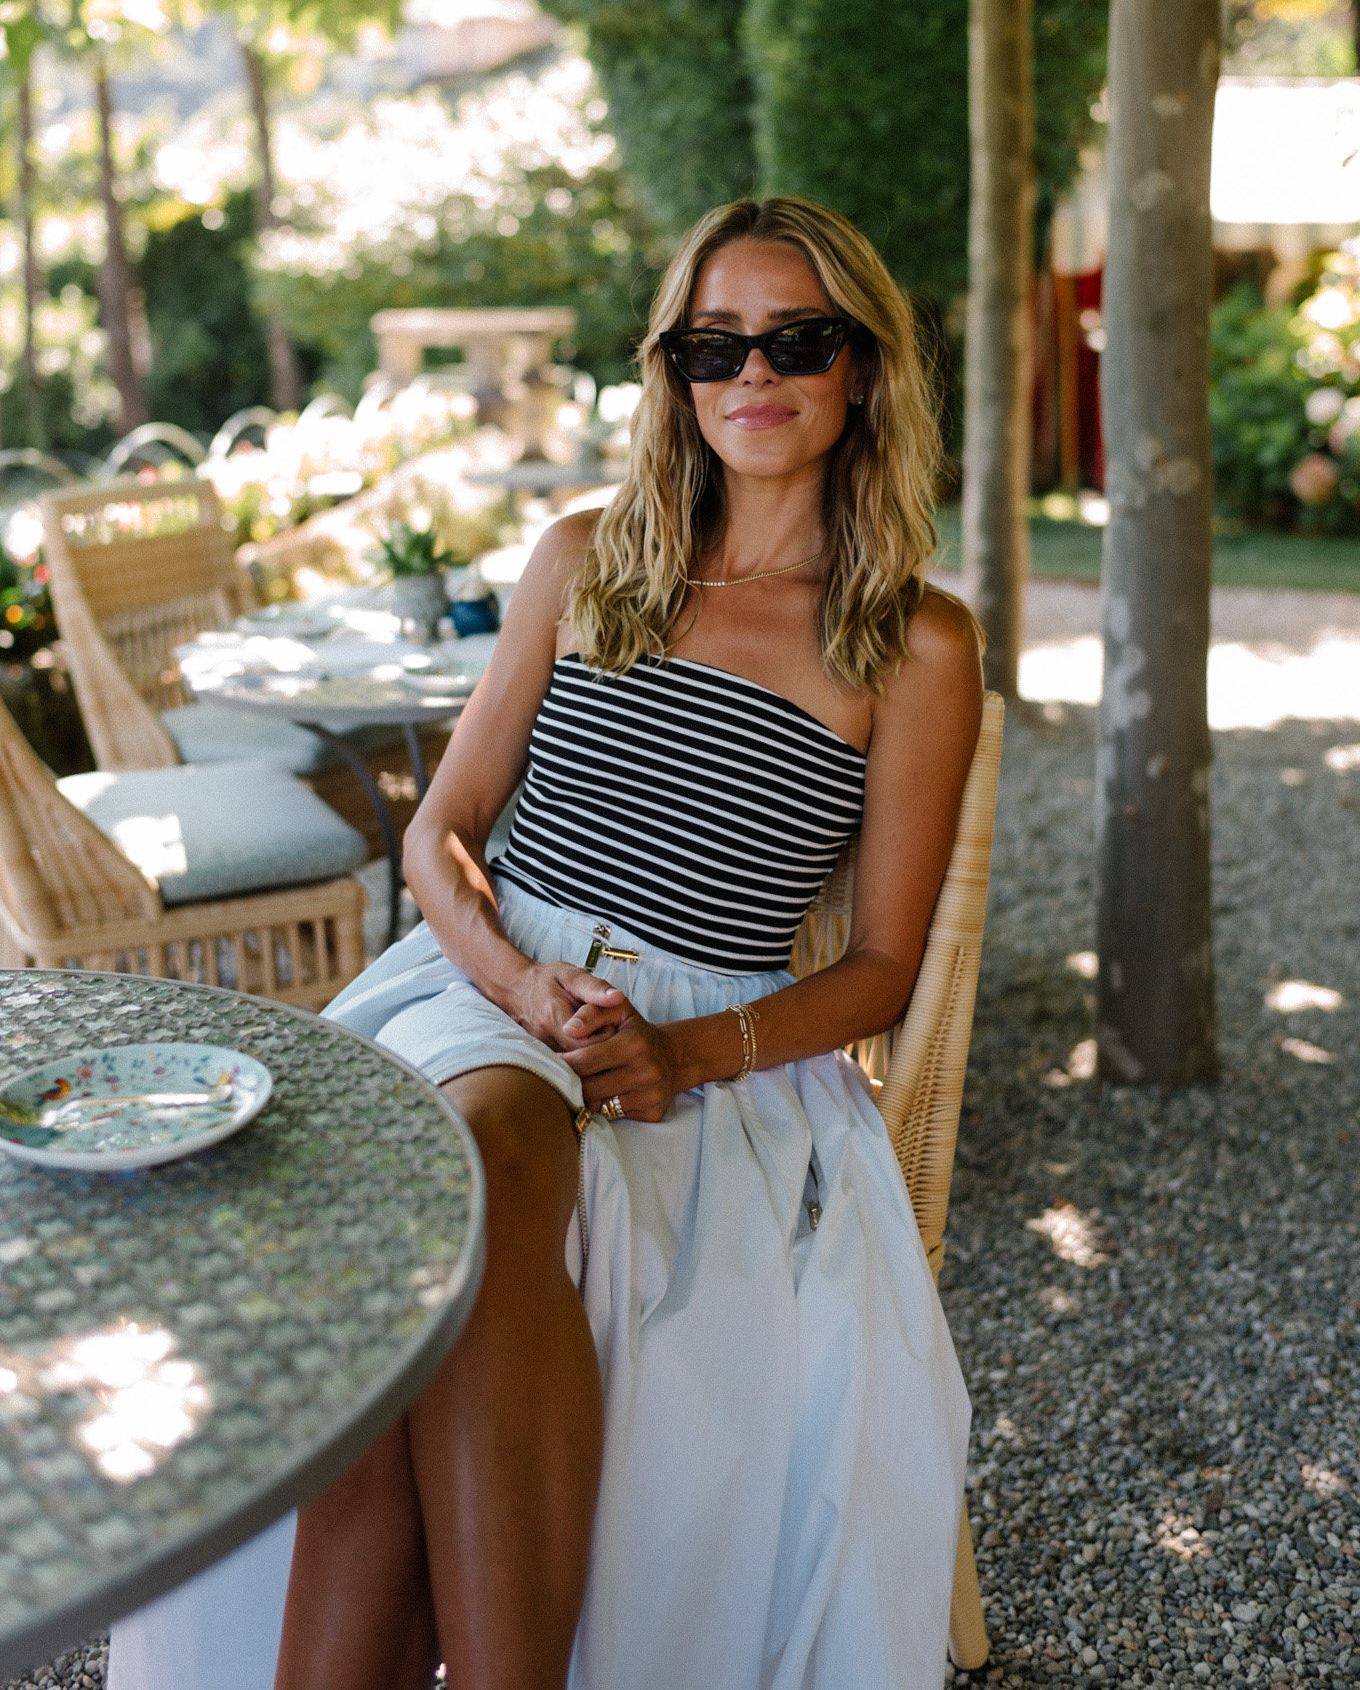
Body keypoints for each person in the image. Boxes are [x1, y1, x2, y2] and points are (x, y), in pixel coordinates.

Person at [108, 195, 981, 1690]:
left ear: (863, 370)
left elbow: (885, 966)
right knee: (497, 1135)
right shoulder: (587, 558)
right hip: (479, 979)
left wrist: (684, 1051)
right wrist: (518, 983)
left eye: (796, 339)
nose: (751, 373)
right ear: (674, 369)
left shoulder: (912, 644)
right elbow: (437, 836)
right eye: (714, 342)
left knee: (425, 1264)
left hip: (708, 1044)